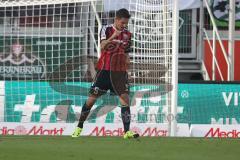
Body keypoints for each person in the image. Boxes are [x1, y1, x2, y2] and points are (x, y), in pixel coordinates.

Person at [72, 8, 139, 139]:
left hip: (119, 73)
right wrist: (114, 36)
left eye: (126, 23)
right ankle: (79, 127)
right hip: (104, 71)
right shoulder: (106, 29)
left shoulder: (128, 35)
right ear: (116, 20)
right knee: (91, 100)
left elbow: (126, 54)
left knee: (125, 99)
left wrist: (128, 68)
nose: (124, 26)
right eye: (122, 23)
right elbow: (102, 46)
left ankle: (127, 132)